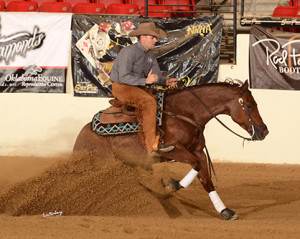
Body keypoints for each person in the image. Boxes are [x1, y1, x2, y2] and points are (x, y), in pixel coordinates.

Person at [110, 22, 178, 154]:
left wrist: (166, 82)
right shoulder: (128, 52)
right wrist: (145, 80)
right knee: (149, 102)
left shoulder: (150, 56)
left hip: (138, 88)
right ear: (143, 37)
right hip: (122, 87)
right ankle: (151, 147)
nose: (156, 40)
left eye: (155, 38)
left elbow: (156, 76)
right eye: (153, 37)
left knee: (163, 99)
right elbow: (123, 77)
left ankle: (160, 137)